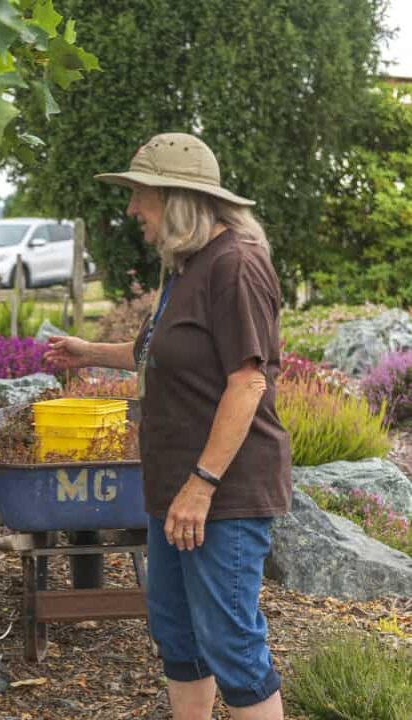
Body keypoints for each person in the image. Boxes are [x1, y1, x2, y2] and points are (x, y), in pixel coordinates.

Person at [45, 133, 291, 720]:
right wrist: (90, 353)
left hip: (222, 493)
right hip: (175, 488)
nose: (132, 210)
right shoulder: (188, 265)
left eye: (141, 196)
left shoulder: (235, 264)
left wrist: (201, 485)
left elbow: (247, 383)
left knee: (232, 645)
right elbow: (161, 352)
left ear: (177, 198)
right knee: (178, 639)